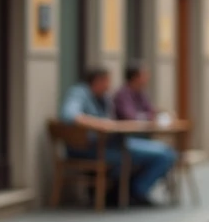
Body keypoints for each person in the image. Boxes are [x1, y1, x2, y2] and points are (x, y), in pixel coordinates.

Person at [60, 67, 177, 207]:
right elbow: (69, 115)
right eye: (107, 82)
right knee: (162, 156)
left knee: (166, 152)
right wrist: (98, 123)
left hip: (111, 144)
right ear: (98, 81)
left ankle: (125, 193)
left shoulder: (104, 98)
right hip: (91, 148)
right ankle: (135, 192)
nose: (109, 86)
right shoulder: (79, 93)